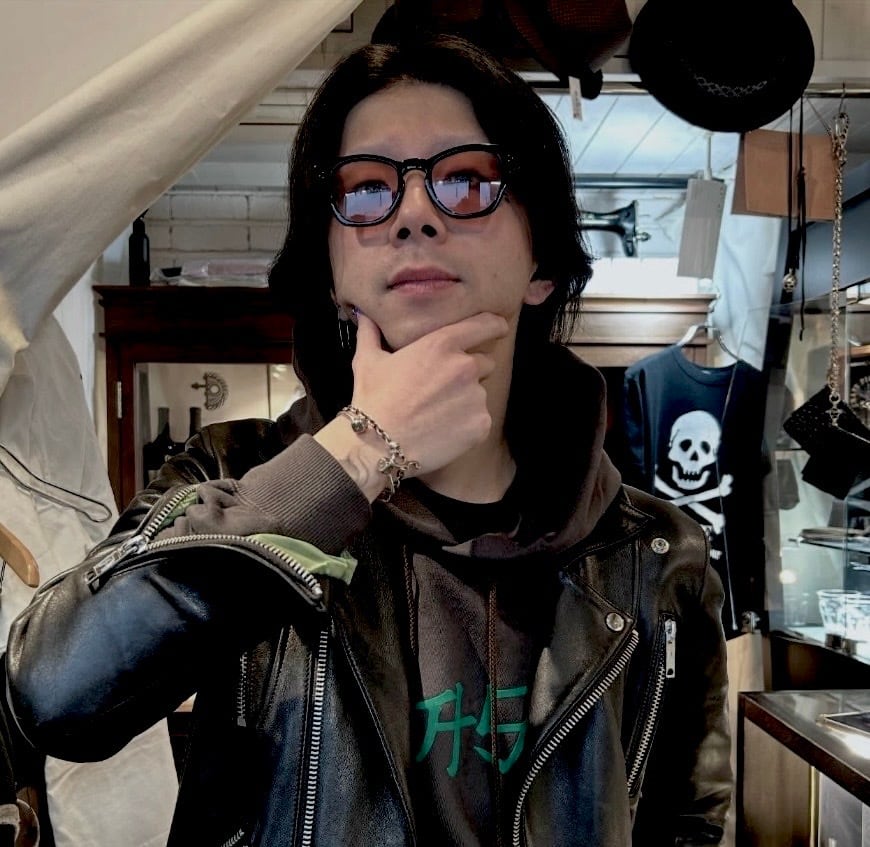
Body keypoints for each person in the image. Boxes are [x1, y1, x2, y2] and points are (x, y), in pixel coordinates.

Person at [4, 33, 732, 847]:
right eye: (367, 188)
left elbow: (688, 826)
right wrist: (358, 452)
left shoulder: (657, 556)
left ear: (543, 266)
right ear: (331, 273)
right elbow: (50, 696)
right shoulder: (232, 478)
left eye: (467, 180)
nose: (414, 213)